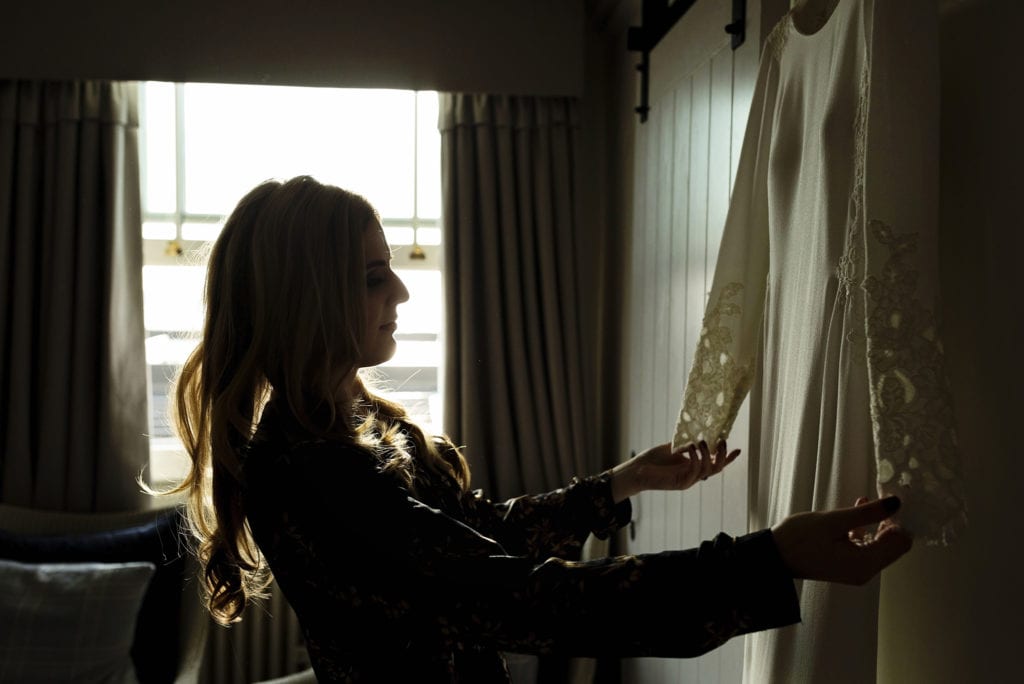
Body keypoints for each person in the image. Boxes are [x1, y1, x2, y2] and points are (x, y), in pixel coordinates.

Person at [166, 175, 912, 682]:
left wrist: (621, 483)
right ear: (309, 298)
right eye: (370, 276)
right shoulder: (309, 475)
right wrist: (775, 558)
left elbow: (480, 534)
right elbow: (529, 598)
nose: (399, 290)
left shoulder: (355, 427)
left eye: (388, 268)